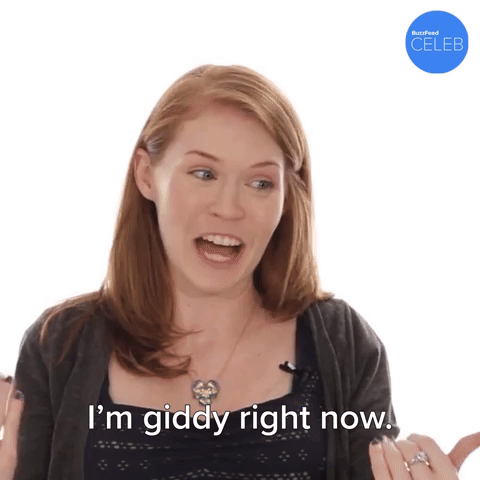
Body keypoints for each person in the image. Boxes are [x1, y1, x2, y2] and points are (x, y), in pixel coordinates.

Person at [1, 65, 478, 480]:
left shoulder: (343, 344)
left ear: (287, 198)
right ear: (147, 175)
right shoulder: (59, 345)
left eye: (260, 182)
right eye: (203, 174)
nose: (229, 208)